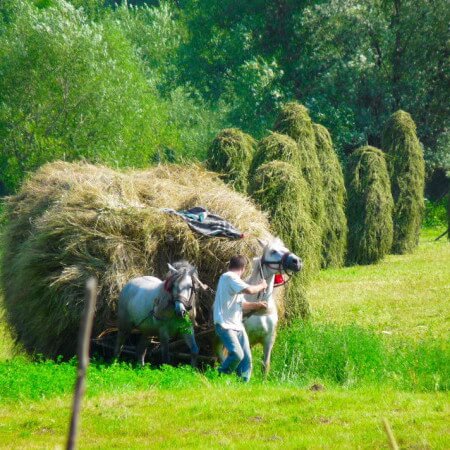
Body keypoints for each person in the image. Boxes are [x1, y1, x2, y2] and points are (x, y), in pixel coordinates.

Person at [213, 255, 267, 382]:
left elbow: (241, 304)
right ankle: (221, 376)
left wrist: (258, 305)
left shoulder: (233, 282)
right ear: (243, 268)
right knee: (237, 354)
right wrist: (262, 286)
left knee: (247, 358)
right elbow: (249, 290)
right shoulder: (229, 277)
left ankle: (242, 383)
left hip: (237, 325)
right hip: (225, 325)